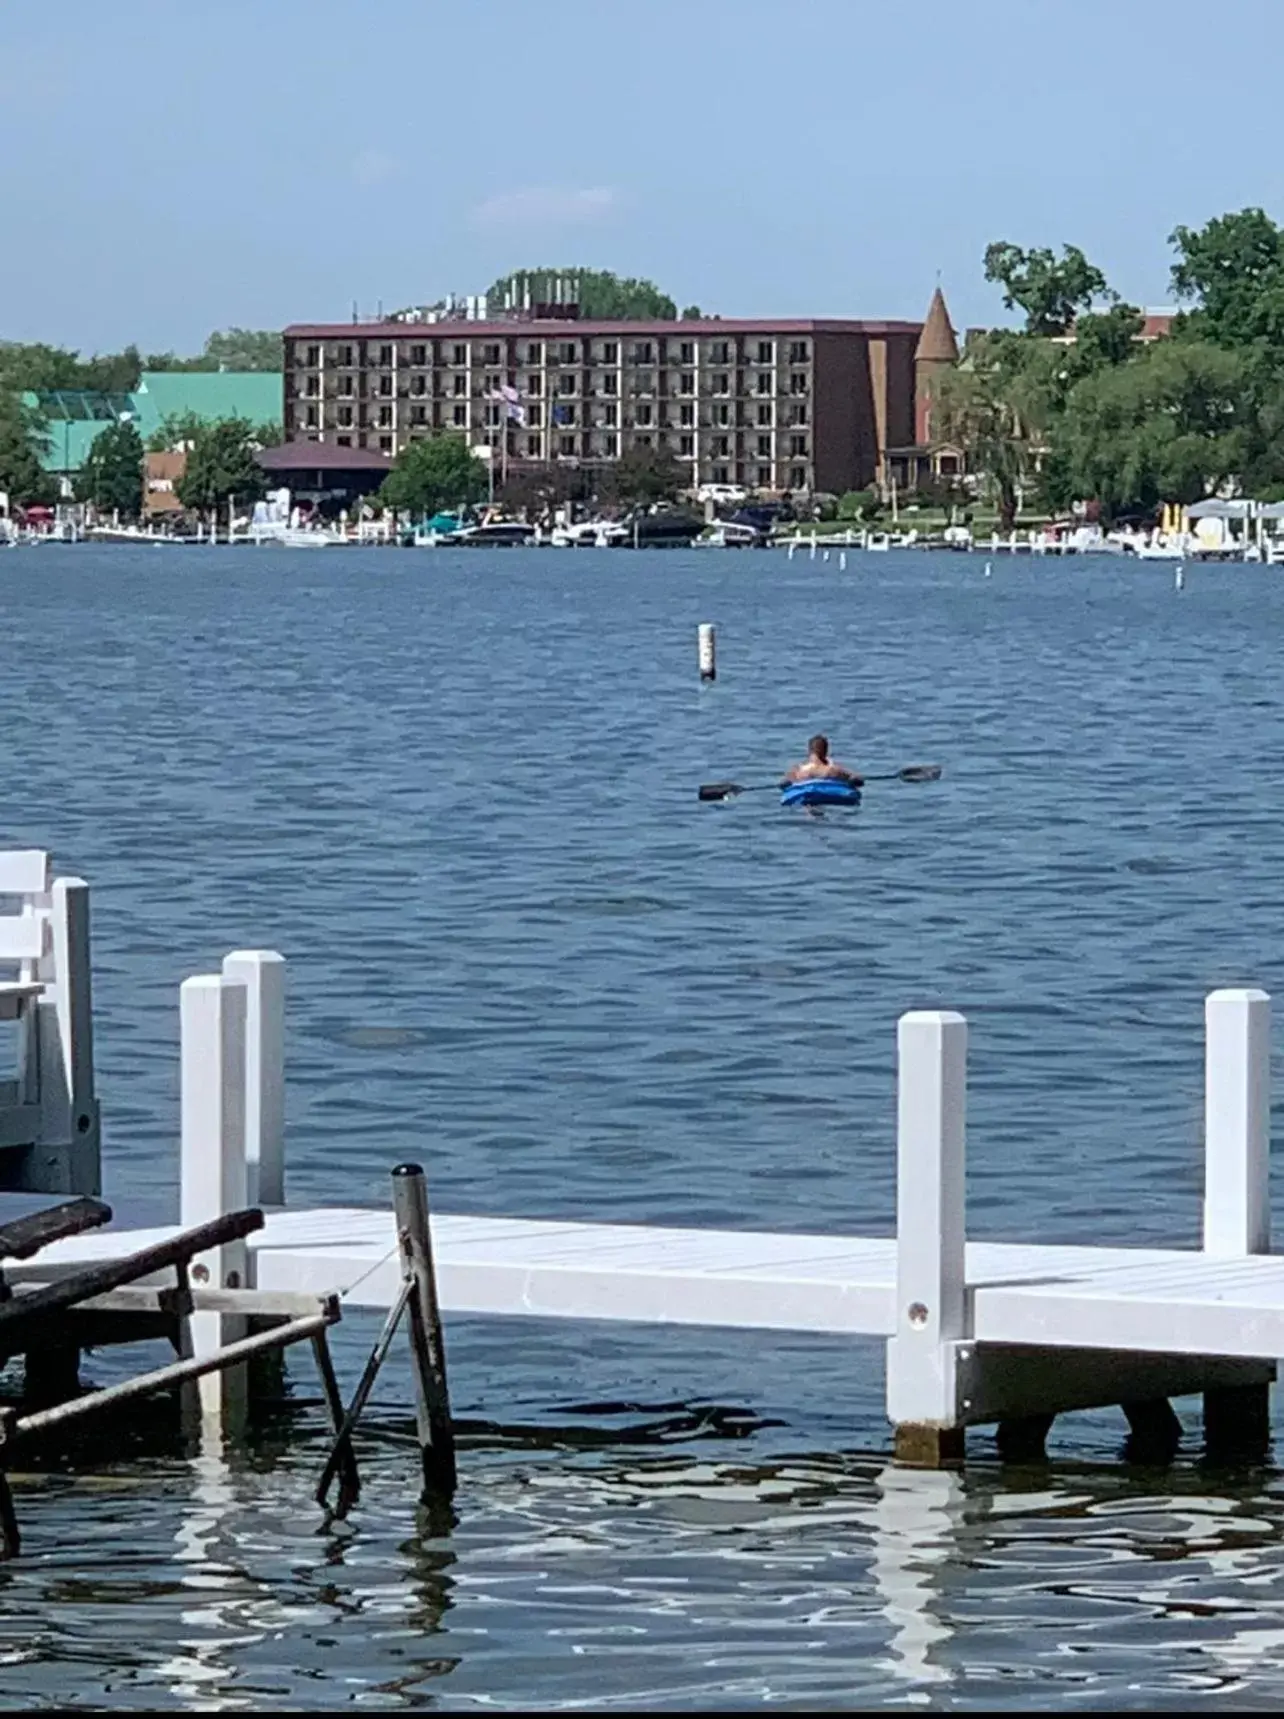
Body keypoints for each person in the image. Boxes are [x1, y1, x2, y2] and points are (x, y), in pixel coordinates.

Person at [782, 734, 864, 786]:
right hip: (829, 783)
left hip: (806, 783)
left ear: (809, 750)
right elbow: (858, 780)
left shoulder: (799, 770)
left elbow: (783, 783)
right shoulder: (833, 770)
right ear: (826, 750)